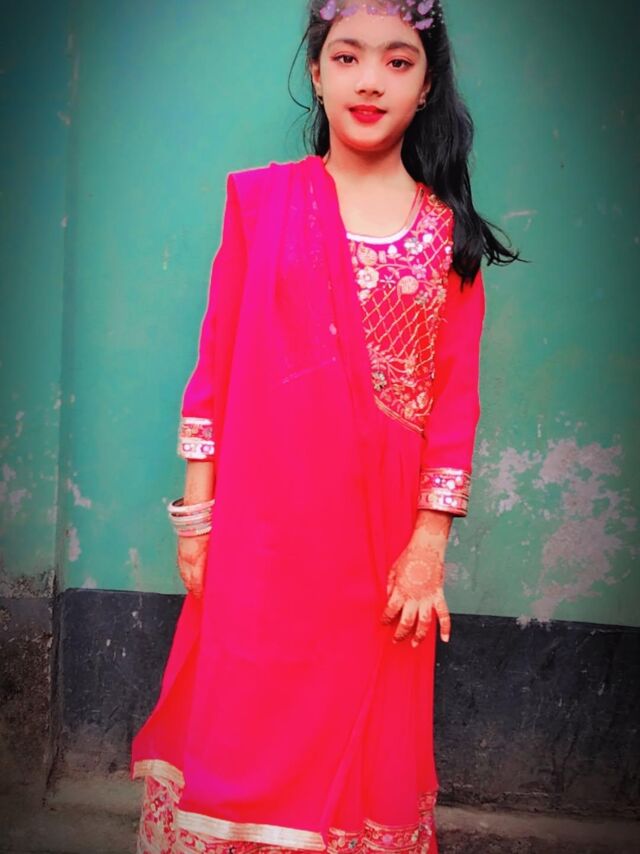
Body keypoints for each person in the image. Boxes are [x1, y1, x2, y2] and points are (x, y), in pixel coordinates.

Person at [130, 2, 520, 852]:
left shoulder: (447, 236)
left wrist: (428, 547)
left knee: (365, 732)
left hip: (381, 545)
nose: (370, 81)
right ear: (316, 73)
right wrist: (197, 517)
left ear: (426, 87)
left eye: (397, 61)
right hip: (263, 526)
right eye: (347, 57)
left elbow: (455, 403)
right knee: (245, 716)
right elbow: (216, 362)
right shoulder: (261, 203)